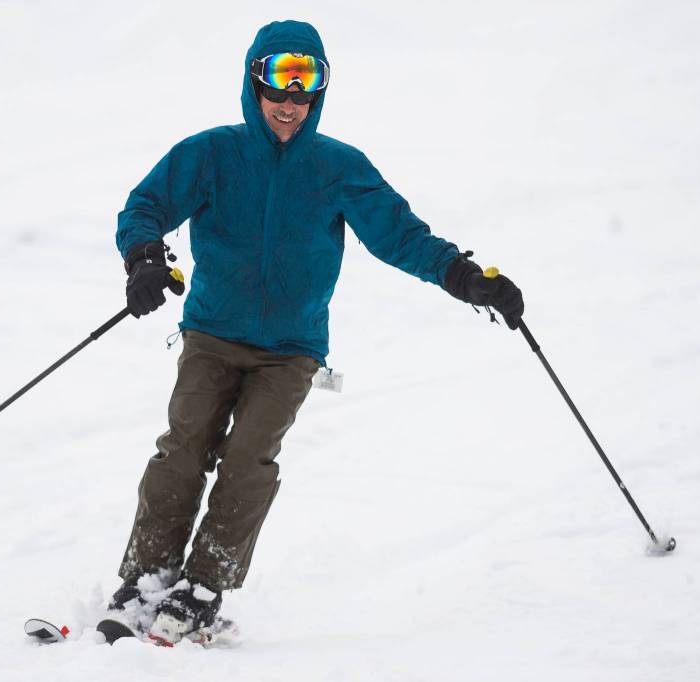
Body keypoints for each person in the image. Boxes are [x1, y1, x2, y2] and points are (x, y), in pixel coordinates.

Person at [109, 20, 524, 645]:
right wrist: (144, 258)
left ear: (319, 94)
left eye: (304, 91)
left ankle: (202, 586)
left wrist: (464, 277)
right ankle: (148, 577)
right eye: (278, 87)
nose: (289, 104)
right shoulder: (211, 154)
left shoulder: (338, 167)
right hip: (212, 335)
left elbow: (400, 235)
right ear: (254, 84)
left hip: (290, 352)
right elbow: (146, 207)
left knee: (249, 459)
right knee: (183, 449)